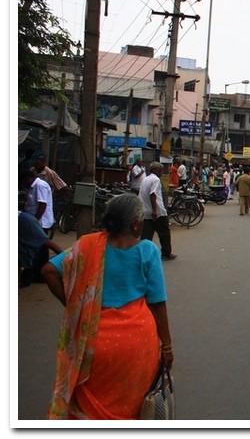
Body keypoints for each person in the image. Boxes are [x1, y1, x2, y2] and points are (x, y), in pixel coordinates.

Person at [40, 194, 174, 419]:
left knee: (88, 409)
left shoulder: (88, 244)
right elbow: (157, 303)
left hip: (93, 343)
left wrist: (75, 305)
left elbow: (48, 271)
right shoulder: (147, 250)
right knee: (131, 405)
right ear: (134, 223)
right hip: (137, 343)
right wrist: (167, 347)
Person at [21, 168, 56, 284]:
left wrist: (34, 220)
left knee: (40, 248)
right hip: (35, 221)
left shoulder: (40, 185)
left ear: (28, 179)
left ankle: (39, 274)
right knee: (40, 248)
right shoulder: (34, 186)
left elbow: (42, 204)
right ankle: (36, 274)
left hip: (40, 222)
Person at [139, 162, 176, 260]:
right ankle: (166, 253)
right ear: (155, 170)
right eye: (161, 170)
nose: (162, 172)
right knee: (164, 233)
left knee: (146, 234)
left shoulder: (145, 179)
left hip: (146, 211)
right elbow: (153, 194)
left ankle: (143, 254)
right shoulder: (155, 180)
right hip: (157, 212)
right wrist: (154, 211)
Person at [19, 211, 63, 288]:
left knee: (45, 242)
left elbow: (43, 204)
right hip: (27, 219)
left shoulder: (25, 221)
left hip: (26, 221)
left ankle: (69, 258)